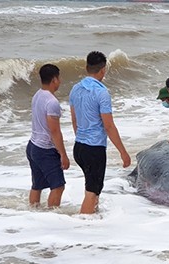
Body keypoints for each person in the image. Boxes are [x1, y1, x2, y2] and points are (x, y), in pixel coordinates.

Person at [69, 51, 131, 214]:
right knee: (92, 191)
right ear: (103, 70)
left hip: (79, 147)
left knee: (92, 188)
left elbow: (74, 120)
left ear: (87, 67)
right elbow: (109, 126)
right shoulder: (101, 92)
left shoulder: (75, 89)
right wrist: (123, 152)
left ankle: (92, 222)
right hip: (94, 148)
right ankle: (83, 227)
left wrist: (81, 139)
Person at [26, 63, 69, 208]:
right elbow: (54, 131)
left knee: (37, 186)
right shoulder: (52, 102)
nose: (60, 81)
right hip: (45, 149)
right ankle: (51, 219)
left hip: (33, 146)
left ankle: (32, 213)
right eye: (59, 78)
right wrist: (63, 154)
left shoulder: (37, 95)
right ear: (54, 79)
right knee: (58, 187)